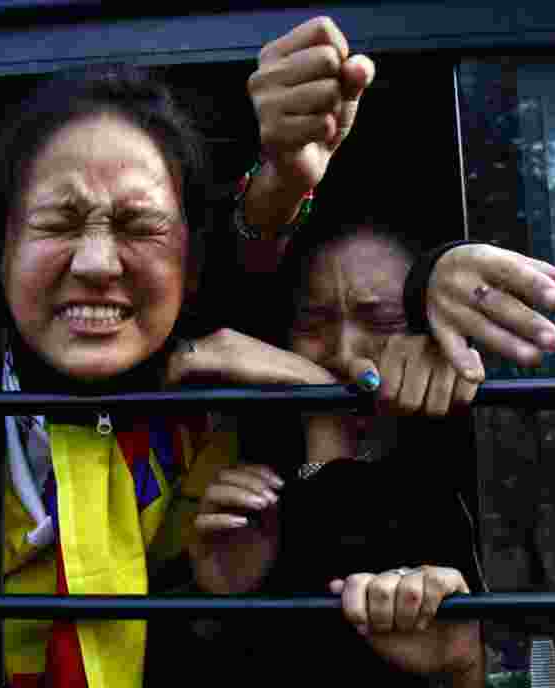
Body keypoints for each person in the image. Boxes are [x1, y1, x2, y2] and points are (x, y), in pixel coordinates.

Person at [0, 16, 555, 688]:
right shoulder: (196, 428)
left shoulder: (506, 456)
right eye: (58, 222)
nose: (96, 262)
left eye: (379, 317)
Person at [190, 222, 495, 687]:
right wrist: (215, 596)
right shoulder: (247, 478)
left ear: (431, 335)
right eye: (312, 322)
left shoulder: (484, 462)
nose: (344, 350)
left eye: (382, 322)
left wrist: (466, 666)